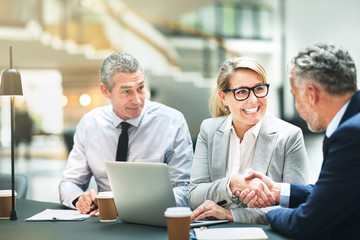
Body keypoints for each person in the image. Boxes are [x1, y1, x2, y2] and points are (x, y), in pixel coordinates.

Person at [242, 43, 360, 239]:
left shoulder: (351, 135)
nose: (297, 107)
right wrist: (278, 191)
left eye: (295, 96)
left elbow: (307, 223)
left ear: (312, 95)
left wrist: (267, 213)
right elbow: (337, 192)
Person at [59, 52, 193, 215]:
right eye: (126, 91)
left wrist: (136, 206)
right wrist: (80, 199)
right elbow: (70, 182)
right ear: (106, 91)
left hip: (152, 221)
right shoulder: (90, 124)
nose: (137, 100)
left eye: (141, 88)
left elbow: (185, 189)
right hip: (105, 223)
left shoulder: (172, 122)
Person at [189, 56, 309, 224]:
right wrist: (232, 184)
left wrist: (232, 215)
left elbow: (295, 207)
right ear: (223, 97)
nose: (253, 99)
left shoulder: (290, 136)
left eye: (259, 89)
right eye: (242, 92)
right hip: (213, 232)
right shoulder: (209, 130)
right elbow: (195, 195)